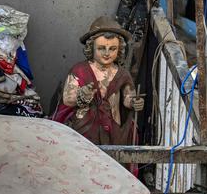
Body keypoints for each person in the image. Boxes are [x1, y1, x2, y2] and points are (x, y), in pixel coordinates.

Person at [51, 16, 144, 146]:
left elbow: (128, 97)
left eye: (112, 49)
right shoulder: (79, 70)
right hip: (84, 131)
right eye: (101, 48)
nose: (107, 53)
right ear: (91, 47)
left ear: (119, 49)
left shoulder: (122, 74)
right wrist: (81, 96)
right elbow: (67, 99)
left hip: (113, 131)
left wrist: (134, 102)